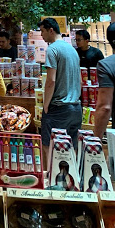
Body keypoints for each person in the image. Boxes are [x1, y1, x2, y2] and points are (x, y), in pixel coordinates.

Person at [39, 17, 82, 158]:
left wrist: (46, 106)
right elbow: (80, 81)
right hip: (76, 108)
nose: (41, 35)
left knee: (49, 147)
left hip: (58, 108)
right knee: (71, 149)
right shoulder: (72, 50)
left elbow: (51, 81)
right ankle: (72, 173)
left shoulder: (52, 49)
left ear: (51, 30)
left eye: (42, 31)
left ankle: (51, 172)